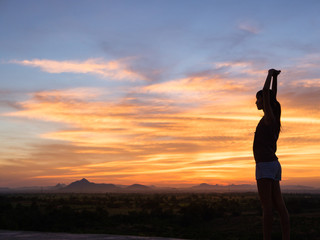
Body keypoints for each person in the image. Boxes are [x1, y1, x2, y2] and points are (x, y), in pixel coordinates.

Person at [253, 69, 290, 240]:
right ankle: (285, 237)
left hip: (265, 165)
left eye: (257, 98)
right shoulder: (273, 118)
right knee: (279, 205)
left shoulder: (269, 118)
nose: (256, 102)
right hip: (273, 165)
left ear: (263, 100)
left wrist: (269, 75)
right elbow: (272, 96)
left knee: (266, 207)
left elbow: (269, 97)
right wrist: (275, 78)